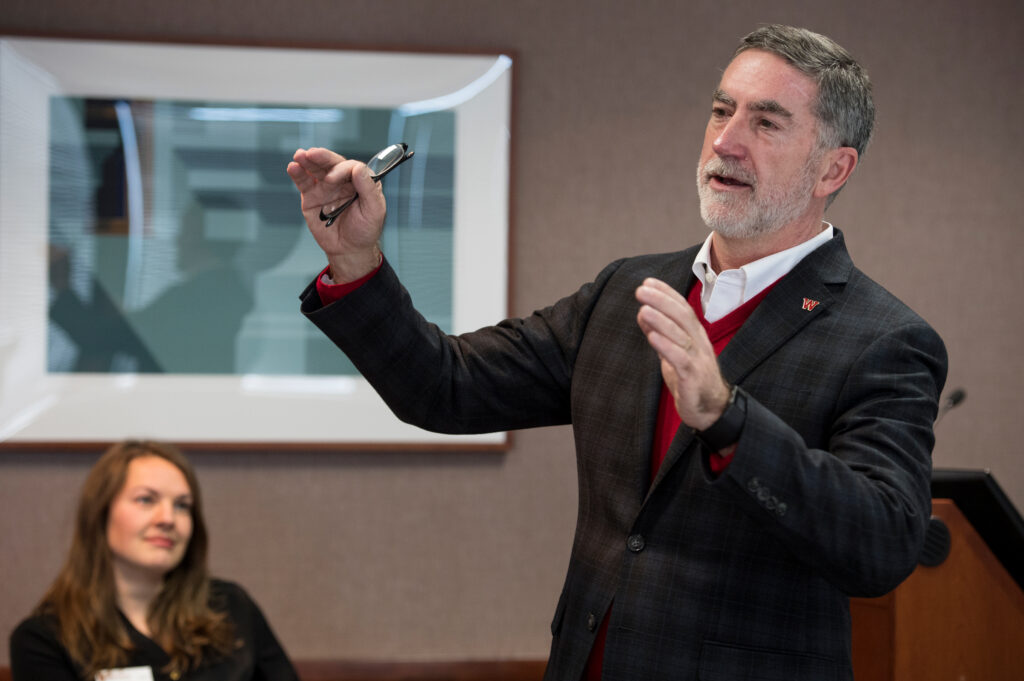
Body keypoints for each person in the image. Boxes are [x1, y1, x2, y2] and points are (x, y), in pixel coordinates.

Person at [287, 24, 947, 681]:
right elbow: (445, 387)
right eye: (723, 110)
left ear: (834, 166)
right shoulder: (626, 294)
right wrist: (355, 260)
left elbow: (882, 546)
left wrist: (727, 417)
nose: (726, 140)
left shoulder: (882, 339)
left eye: (766, 123)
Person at [9, 440, 299, 681]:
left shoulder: (231, 607)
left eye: (182, 505)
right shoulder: (44, 640)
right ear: (100, 513)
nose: (168, 519)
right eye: (146, 500)